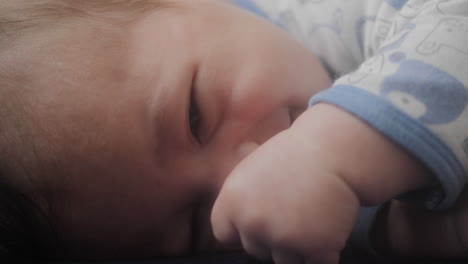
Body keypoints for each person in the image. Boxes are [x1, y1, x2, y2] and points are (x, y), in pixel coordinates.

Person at [0, 0, 466, 262]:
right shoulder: (286, 219)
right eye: (199, 219)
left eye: (194, 117)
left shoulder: (328, 14)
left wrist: (328, 149)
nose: (242, 171)